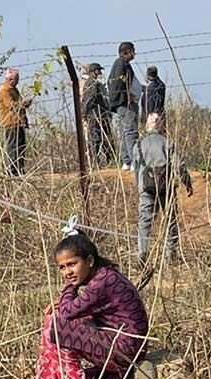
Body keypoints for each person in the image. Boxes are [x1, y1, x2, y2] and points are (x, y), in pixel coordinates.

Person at [30, 232, 150, 379]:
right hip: (120, 343)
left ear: (90, 261)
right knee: (56, 318)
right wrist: (65, 302)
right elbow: (73, 309)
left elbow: (69, 312)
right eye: (62, 267)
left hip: (125, 350)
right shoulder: (103, 276)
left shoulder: (104, 281)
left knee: (56, 324)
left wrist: (70, 288)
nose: (67, 272)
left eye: (72, 264)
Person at [135, 112, 194, 262]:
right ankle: (171, 255)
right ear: (161, 125)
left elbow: (136, 169)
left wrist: (140, 187)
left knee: (145, 222)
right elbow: (178, 165)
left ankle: (143, 253)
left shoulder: (138, 145)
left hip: (146, 187)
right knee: (170, 220)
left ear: (146, 125)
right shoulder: (167, 142)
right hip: (165, 187)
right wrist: (187, 182)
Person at [106, 41, 139, 170]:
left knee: (123, 132)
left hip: (119, 104)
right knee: (130, 132)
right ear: (127, 52)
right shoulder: (123, 65)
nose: (134, 54)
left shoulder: (117, 64)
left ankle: (127, 161)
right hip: (126, 104)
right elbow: (121, 83)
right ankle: (133, 162)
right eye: (133, 51)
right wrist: (128, 96)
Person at [0, 68, 30, 175]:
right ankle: (12, 171)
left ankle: (20, 169)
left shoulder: (14, 90)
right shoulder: (5, 90)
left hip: (19, 122)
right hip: (10, 123)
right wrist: (23, 104)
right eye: (16, 79)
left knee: (21, 147)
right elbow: (11, 105)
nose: (18, 81)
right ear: (10, 79)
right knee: (12, 148)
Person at [80, 63, 112, 164]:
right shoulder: (92, 84)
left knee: (103, 138)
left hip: (99, 114)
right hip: (95, 115)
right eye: (99, 70)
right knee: (95, 138)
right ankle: (95, 162)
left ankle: (107, 159)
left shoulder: (94, 83)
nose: (101, 72)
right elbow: (88, 100)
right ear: (95, 71)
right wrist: (84, 113)